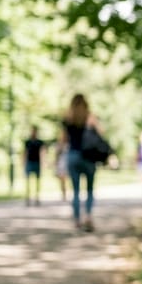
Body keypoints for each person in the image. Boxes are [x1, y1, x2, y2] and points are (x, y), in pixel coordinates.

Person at [58, 94, 102, 232]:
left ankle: (77, 220)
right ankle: (88, 216)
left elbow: (63, 140)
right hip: (88, 156)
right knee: (89, 189)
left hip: (73, 155)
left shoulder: (68, 119)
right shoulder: (90, 117)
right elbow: (100, 134)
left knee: (76, 190)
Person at [22, 125, 46, 206]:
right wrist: (23, 162)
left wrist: (43, 163)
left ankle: (37, 198)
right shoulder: (27, 142)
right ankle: (27, 198)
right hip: (29, 162)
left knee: (37, 181)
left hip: (37, 163)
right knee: (28, 181)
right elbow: (25, 152)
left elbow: (42, 153)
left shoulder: (40, 142)